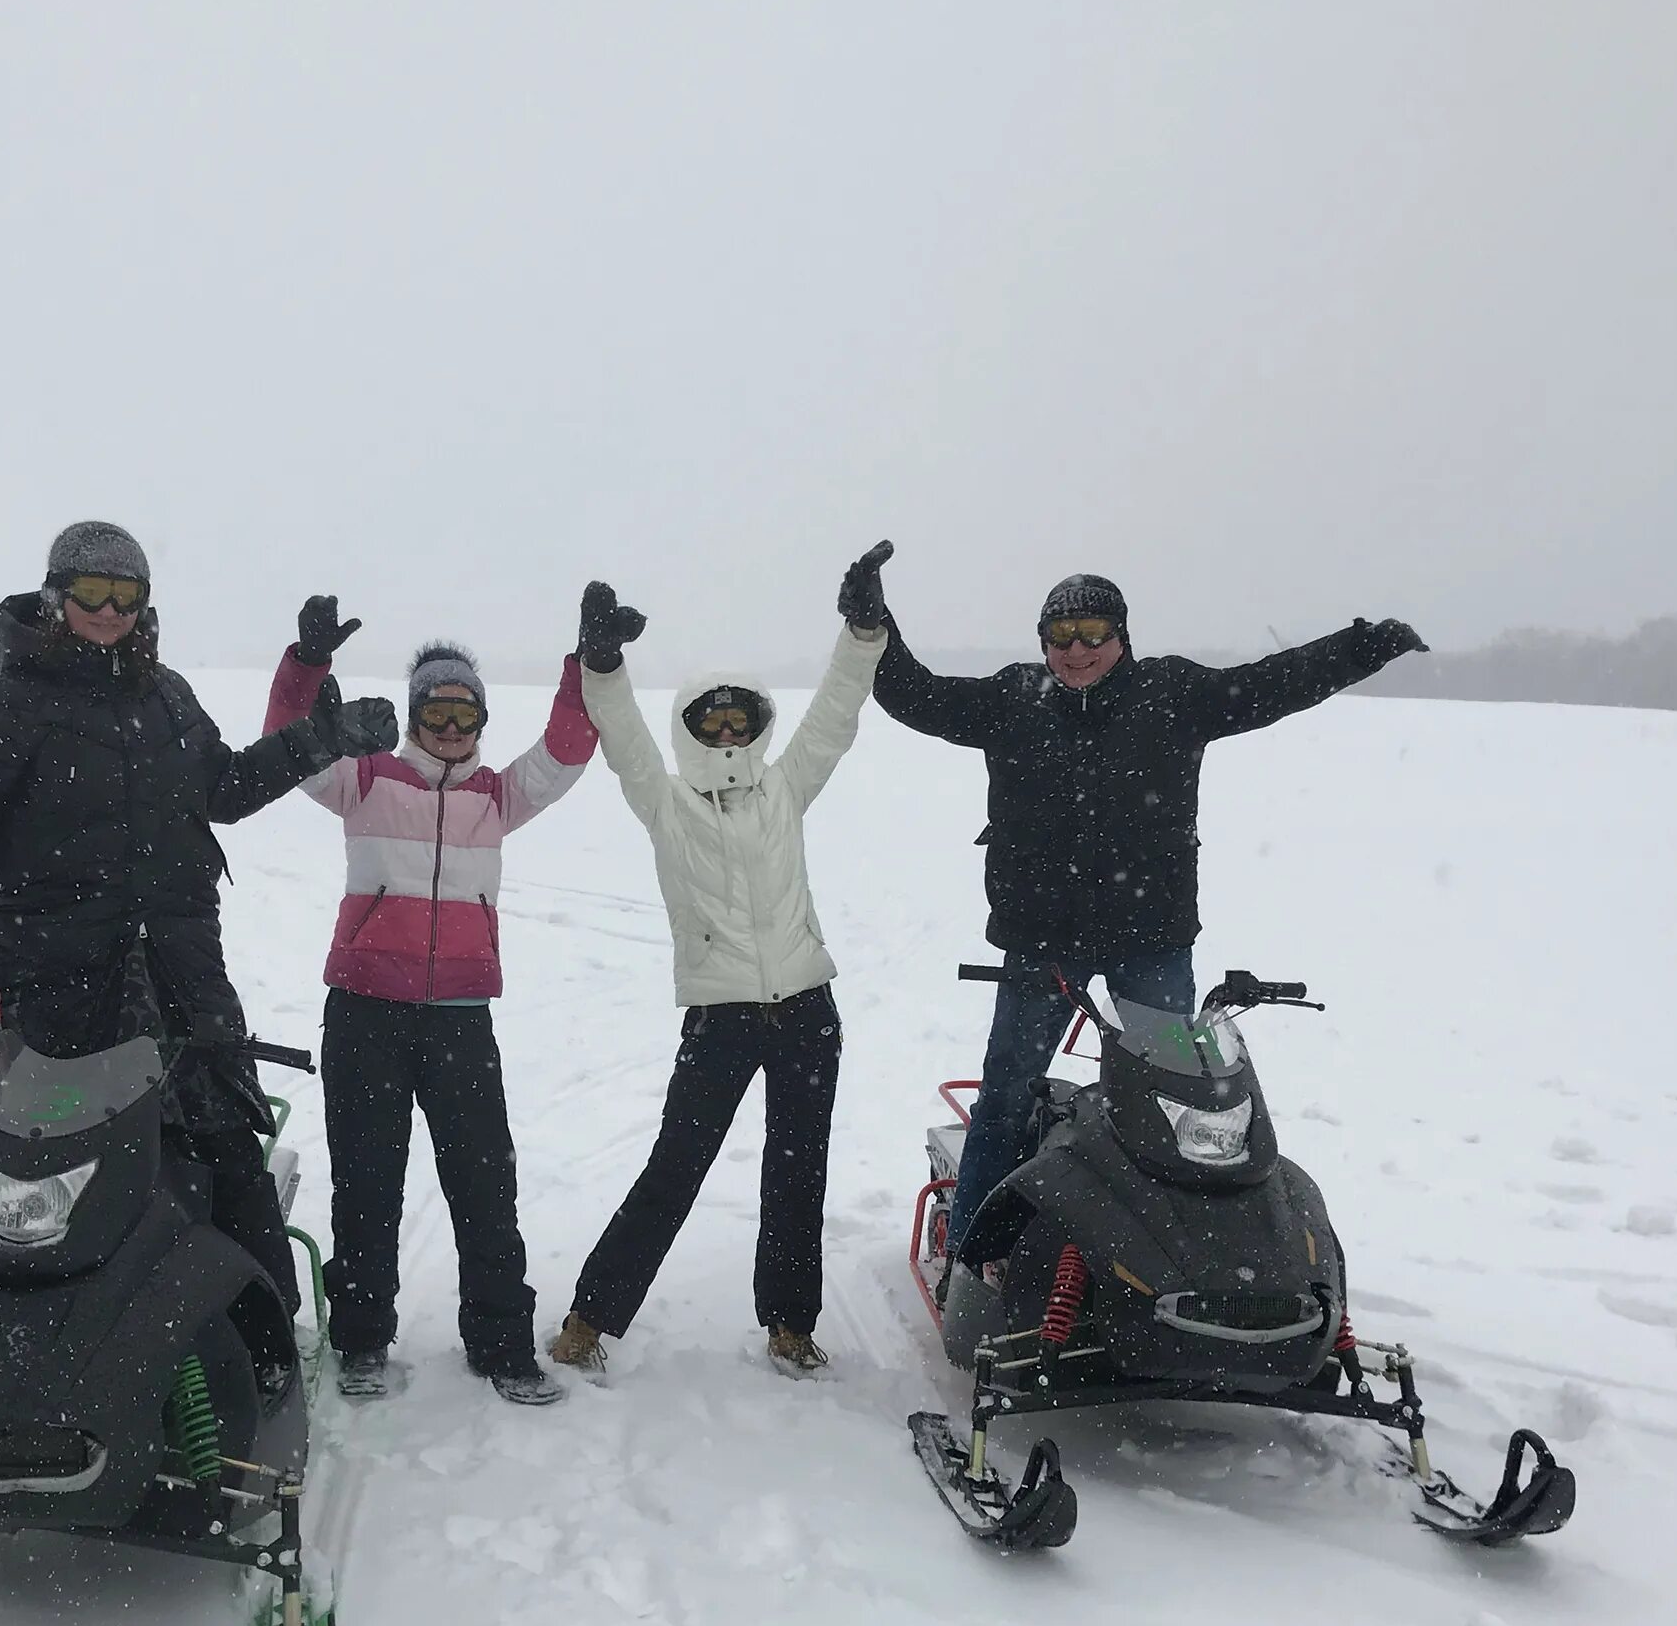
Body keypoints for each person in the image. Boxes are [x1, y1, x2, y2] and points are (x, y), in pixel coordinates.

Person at [0, 520, 397, 1389]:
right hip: (43, 979)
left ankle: (260, 1354)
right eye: (92, 593)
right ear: (57, 596)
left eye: (127, 597)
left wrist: (323, 737)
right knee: (25, 1180)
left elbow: (225, 790)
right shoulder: (12, 702)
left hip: (179, 978)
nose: (110, 612)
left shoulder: (167, 698)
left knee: (220, 1153)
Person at [858, 560, 1425, 1260]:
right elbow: (916, 696)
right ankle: (974, 1257)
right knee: (1005, 1100)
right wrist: (871, 622)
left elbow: (1272, 685)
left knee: (1174, 1104)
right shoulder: (1014, 700)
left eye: (1090, 630)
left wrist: (1362, 645)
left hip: (1149, 940)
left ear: (1120, 635)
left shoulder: (1172, 693)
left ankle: (1171, 1255)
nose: (1074, 649)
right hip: (1042, 944)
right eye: (1059, 635)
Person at [546, 562, 888, 1380]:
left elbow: (835, 716)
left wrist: (863, 633)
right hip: (721, 1015)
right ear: (692, 729)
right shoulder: (666, 802)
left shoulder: (785, 789)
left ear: (758, 725)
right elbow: (622, 736)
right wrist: (601, 663)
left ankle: (789, 1326)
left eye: (741, 720)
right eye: (713, 721)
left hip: (807, 1006)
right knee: (676, 1167)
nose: (729, 733)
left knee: (798, 1173)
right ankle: (590, 1319)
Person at [266, 598, 601, 1406]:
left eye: (466, 712)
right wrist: (306, 666)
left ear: (481, 718)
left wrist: (582, 666)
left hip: (458, 1017)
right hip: (364, 1014)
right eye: (437, 711)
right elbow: (288, 742)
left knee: (486, 1182)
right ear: (415, 714)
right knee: (368, 1181)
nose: (451, 726)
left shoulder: (496, 796)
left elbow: (564, 751)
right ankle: (360, 1342)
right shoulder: (366, 778)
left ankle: (501, 1344)